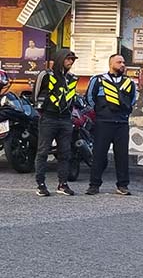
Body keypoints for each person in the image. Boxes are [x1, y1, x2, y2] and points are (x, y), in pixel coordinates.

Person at [85, 54, 137, 195]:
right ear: (111, 64)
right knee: (99, 155)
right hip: (103, 123)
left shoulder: (129, 82)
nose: (122, 64)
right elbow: (89, 98)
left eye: (123, 62)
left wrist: (124, 114)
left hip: (121, 123)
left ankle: (123, 185)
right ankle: (94, 185)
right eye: (119, 62)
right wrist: (99, 113)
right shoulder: (98, 80)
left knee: (122, 156)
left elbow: (133, 100)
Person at [33, 49, 78, 196]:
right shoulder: (46, 75)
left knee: (65, 152)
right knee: (43, 151)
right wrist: (42, 111)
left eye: (72, 60)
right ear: (60, 59)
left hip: (65, 118)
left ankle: (62, 184)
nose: (70, 62)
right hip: (49, 117)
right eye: (68, 59)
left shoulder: (72, 78)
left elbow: (71, 98)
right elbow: (36, 94)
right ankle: (40, 184)